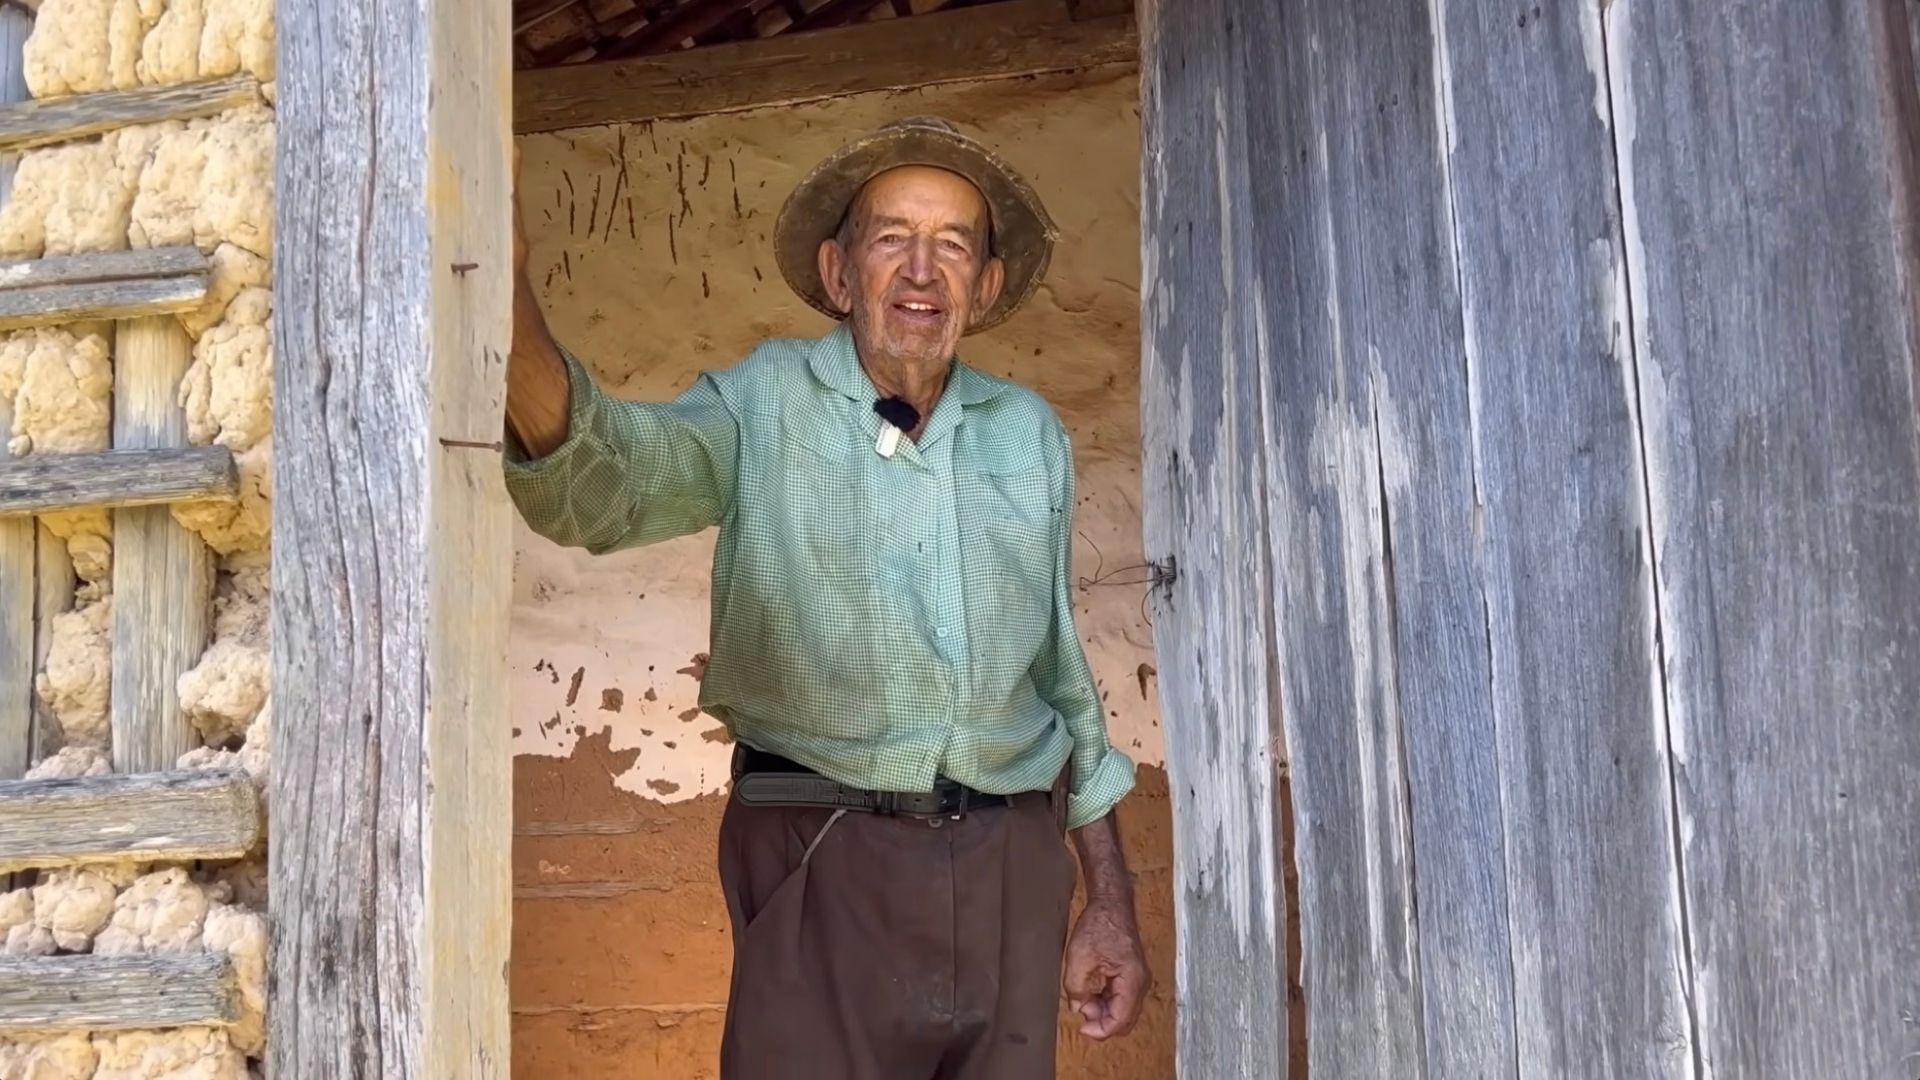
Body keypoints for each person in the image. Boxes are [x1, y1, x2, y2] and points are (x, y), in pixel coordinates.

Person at [500, 115, 1149, 1079]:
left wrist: (1109, 901)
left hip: (1012, 867)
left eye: (953, 245)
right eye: (893, 238)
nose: (923, 270)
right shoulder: (765, 402)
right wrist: (504, 298)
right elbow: (613, 481)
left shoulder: (1027, 435)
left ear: (985, 287)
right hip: (822, 851)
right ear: (840, 274)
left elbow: (1062, 682)